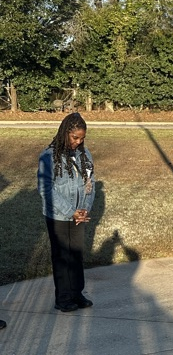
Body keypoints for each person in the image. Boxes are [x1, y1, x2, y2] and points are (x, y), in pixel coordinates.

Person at [37, 112, 96, 313]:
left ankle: (76, 293)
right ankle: (63, 298)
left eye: (82, 138)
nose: (78, 142)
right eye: (75, 138)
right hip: (58, 216)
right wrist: (71, 211)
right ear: (65, 133)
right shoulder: (48, 157)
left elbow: (90, 183)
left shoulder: (85, 155)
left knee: (76, 255)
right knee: (62, 256)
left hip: (79, 215)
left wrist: (84, 209)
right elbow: (46, 189)